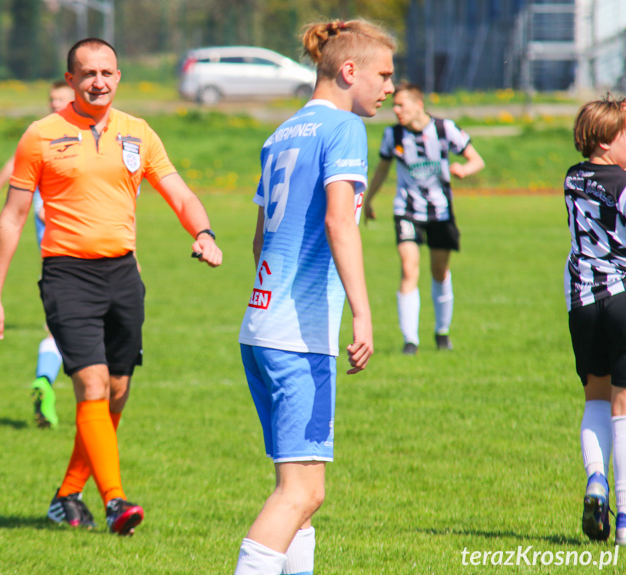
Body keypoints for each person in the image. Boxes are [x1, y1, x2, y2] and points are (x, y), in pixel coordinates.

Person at [0, 37, 222, 536]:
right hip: (68, 275)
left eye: (107, 73)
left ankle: (68, 494)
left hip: (124, 275)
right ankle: (115, 502)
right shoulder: (41, 136)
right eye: (88, 73)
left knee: (116, 390)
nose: (98, 82)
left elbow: (179, 192)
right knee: (89, 384)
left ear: (118, 77)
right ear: (70, 80)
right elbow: (12, 219)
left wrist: (203, 232)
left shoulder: (139, 133)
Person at [235, 19, 393, 575]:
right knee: (298, 495)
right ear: (349, 71)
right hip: (297, 338)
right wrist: (364, 312)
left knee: (302, 494)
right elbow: (338, 222)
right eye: (384, 74)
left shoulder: (280, 134)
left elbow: (259, 240)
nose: (390, 87)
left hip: (259, 329)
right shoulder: (344, 129)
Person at [0, 80, 74, 429]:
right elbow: (14, 167)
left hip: (62, 256)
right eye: (51, 98)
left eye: (60, 98)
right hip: (71, 255)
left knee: (60, 327)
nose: (54, 103)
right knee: (77, 332)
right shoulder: (46, 135)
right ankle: (51, 383)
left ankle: (45, 379)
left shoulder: (66, 136)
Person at [363, 83, 484, 354]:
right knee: (409, 268)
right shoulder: (393, 135)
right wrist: (369, 200)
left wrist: (464, 169)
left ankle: (442, 333)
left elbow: (477, 160)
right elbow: (382, 170)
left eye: (400, 105)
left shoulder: (444, 129)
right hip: (406, 210)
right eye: (394, 106)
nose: (395, 110)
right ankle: (410, 341)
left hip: (441, 212)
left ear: (418, 105)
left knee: (439, 271)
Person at [564, 95, 626, 545]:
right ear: (607, 141)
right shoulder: (623, 183)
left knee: (595, 400)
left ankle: (595, 481)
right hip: (624, 298)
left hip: (582, 302)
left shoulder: (573, 178)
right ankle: (625, 520)